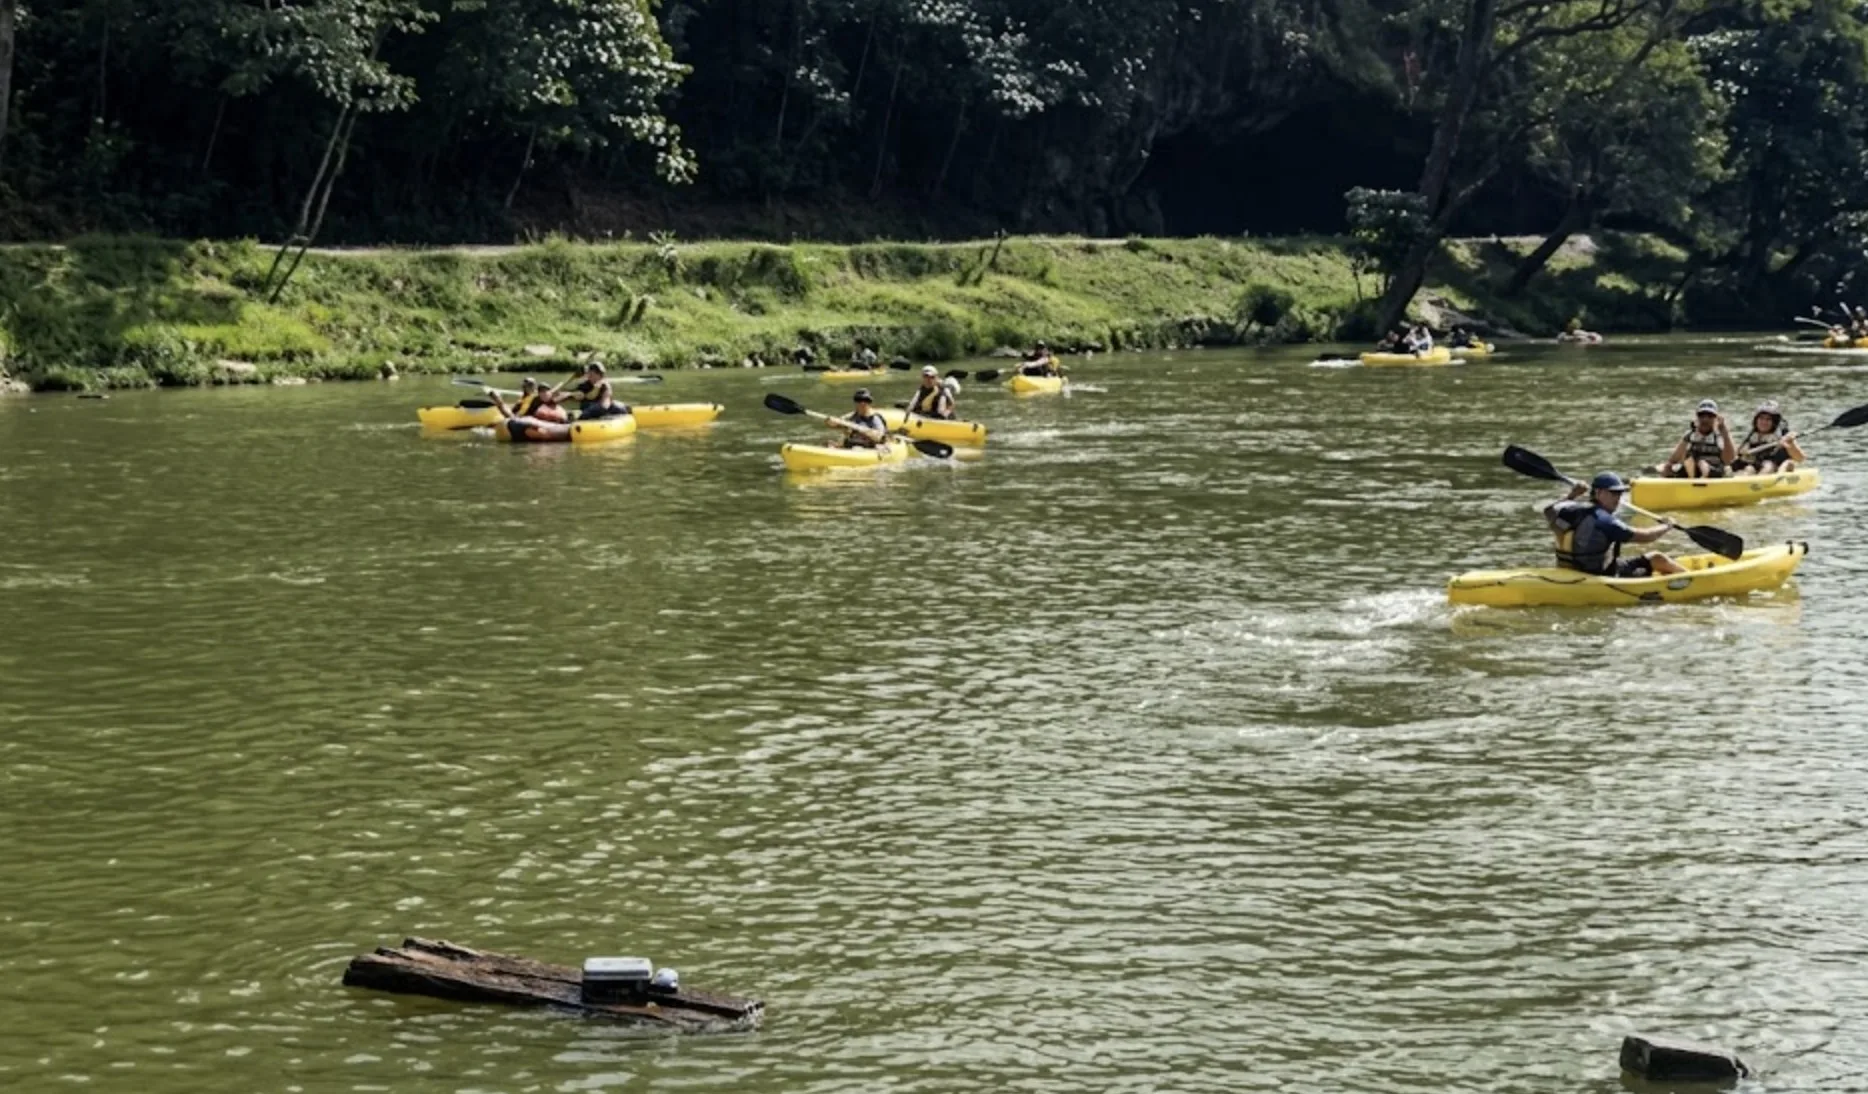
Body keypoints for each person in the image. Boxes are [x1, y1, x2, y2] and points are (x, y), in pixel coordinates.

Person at [1545, 472, 1684, 577]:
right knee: (1656, 557)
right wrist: (1667, 525)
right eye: (1613, 493)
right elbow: (1646, 537)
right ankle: (1690, 578)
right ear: (1598, 493)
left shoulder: (1571, 510)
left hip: (1572, 572)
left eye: (1619, 494)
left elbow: (1548, 511)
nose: (1617, 498)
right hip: (1602, 574)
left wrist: (1572, 495)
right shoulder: (1605, 521)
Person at [1663, 399, 1735, 479]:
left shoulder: (1721, 437)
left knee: (1704, 465)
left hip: (1714, 474)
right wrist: (1668, 468)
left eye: (1709, 416)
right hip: (1692, 474)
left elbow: (1729, 461)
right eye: (1702, 415)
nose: (1705, 419)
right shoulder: (1690, 436)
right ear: (1697, 417)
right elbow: (1673, 459)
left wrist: (1725, 435)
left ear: (1715, 418)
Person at [1732, 400, 1806, 476]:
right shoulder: (1751, 435)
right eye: (1761, 418)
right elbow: (1737, 455)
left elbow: (1801, 458)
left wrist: (1791, 444)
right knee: (1748, 469)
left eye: (1768, 419)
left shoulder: (1784, 435)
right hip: (1756, 465)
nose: (1764, 422)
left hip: (1776, 467)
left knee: (1769, 466)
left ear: (1774, 422)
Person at [486, 389, 572, 442]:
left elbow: (552, 401)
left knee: (514, 419)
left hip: (524, 421)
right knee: (514, 418)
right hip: (521, 421)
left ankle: (499, 402)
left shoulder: (536, 399)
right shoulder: (523, 400)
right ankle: (499, 402)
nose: (526, 388)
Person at [554, 362, 630, 420]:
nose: (599, 376)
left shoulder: (605, 385)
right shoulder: (584, 385)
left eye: (599, 374)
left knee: (618, 407)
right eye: (591, 374)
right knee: (586, 407)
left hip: (601, 408)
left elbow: (605, 405)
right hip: (588, 407)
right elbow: (571, 394)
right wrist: (567, 394)